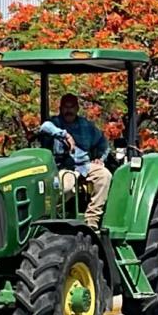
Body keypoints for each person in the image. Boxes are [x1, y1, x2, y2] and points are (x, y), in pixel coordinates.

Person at [46, 93, 111, 228]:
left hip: (85, 165)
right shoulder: (55, 123)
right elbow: (44, 126)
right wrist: (64, 134)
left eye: (72, 107)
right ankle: (54, 216)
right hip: (63, 167)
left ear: (77, 109)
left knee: (104, 175)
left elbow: (103, 143)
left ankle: (92, 220)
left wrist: (100, 158)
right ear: (60, 108)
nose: (68, 110)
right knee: (66, 187)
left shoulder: (86, 126)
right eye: (65, 107)